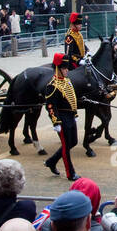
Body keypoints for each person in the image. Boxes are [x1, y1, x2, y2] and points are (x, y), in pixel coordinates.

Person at [42, 53, 79, 181]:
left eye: (67, 68)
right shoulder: (52, 85)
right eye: (64, 68)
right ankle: (70, 173)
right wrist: (56, 122)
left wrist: (74, 113)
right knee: (66, 146)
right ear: (58, 68)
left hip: (70, 116)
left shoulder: (67, 82)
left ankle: (52, 161)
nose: (67, 70)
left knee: (73, 142)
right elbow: (51, 106)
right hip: (61, 119)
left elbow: (72, 99)